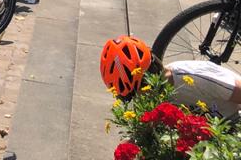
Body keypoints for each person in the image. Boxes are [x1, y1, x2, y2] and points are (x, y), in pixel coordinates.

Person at [101, 35, 241, 118]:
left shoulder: (198, 78)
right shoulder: (155, 97)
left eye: (138, 93)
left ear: (149, 78)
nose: (139, 102)